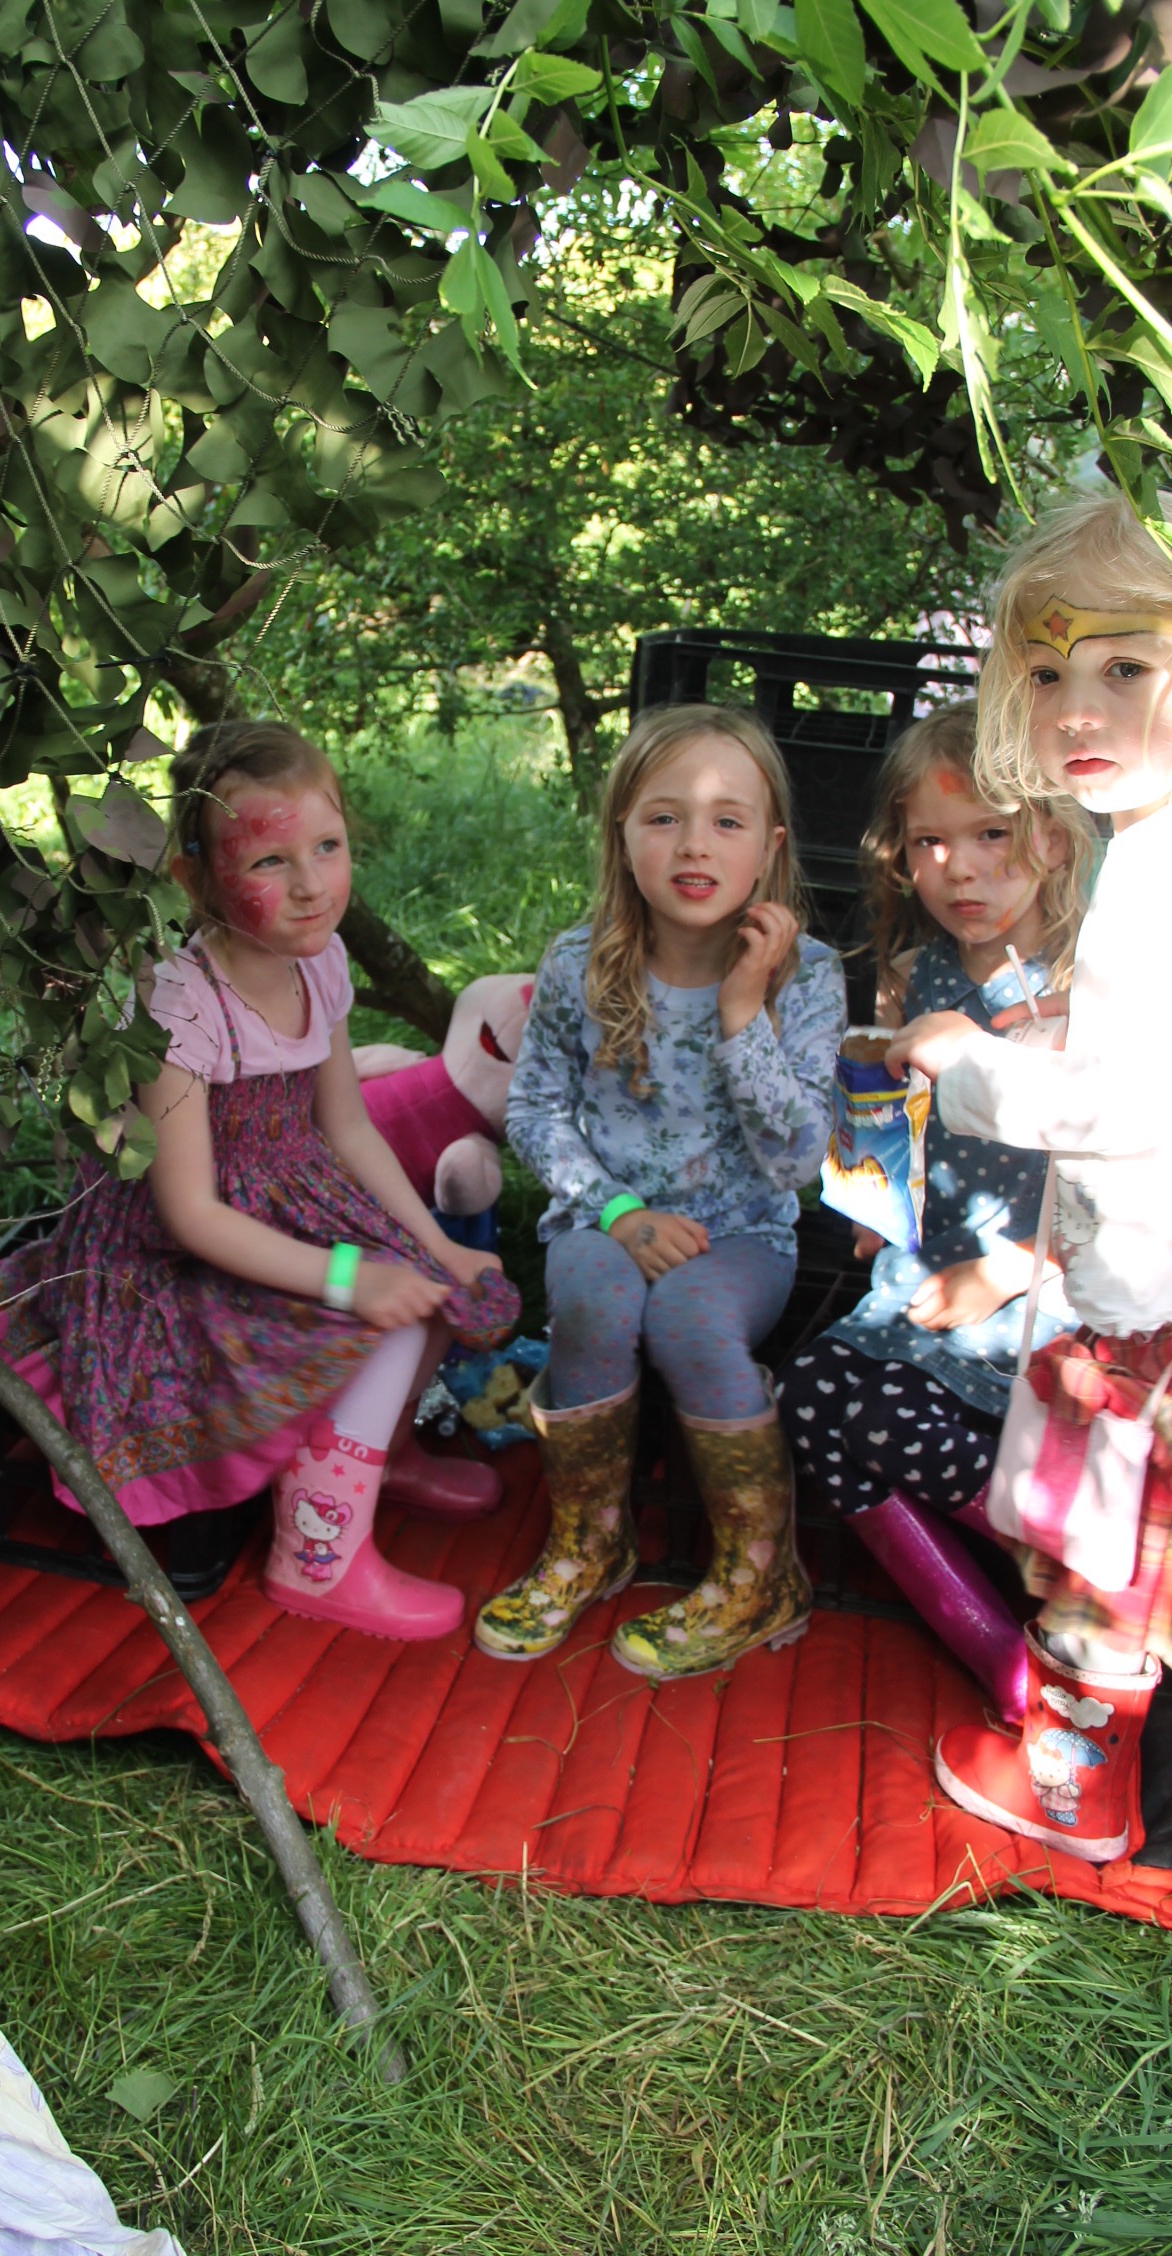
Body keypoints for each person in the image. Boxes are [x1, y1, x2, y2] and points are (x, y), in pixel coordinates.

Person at [0, 720, 519, 1641]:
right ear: (196, 879)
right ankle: (317, 1555)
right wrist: (349, 1278)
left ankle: (373, 1458)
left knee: (427, 1290)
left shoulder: (320, 959)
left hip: (289, 1198)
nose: (311, 884)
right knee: (378, 1321)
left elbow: (346, 1124)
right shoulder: (182, 1005)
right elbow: (190, 1212)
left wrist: (435, 1245)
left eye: (328, 847)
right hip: (178, 1252)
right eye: (270, 861)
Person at [888, 493, 1172, 1862]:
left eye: (1127, 665)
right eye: (1047, 673)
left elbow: (1121, 1110)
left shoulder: (1150, 876)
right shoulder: (1145, 848)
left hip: (1137, 1302)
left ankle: (1071, 1791)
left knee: (1098, 1555)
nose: (1079, 710)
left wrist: (970, 1063)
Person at [478, 704, 848, 1675]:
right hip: (604, 1212)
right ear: (622, 835)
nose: (694, 844)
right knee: (593, 1297)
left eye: (727, 820)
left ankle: (760, 1574)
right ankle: (590, 1544)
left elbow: (795, 1159)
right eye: (664, 817)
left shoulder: (806, 977)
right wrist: (619, 1213)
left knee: (690, 1318)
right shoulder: (580, 962)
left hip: (742, 1232)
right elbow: (535, 1113)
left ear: (770, 848)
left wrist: (741, 1010)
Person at [775, 702, 1096, 1723]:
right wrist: (875, 1198)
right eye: (928, 842)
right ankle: (1002, 1653)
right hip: (934, 1275)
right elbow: (892, 1124)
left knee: (865, 1411)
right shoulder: (916, 974)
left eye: (991, 833)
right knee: (811, 1394)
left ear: (1053, 837)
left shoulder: (1094, 990)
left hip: (1052, 1290)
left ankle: (1080, 1571)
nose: (960, 868)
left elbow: (1124, 1186)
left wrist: (1006, 1270)